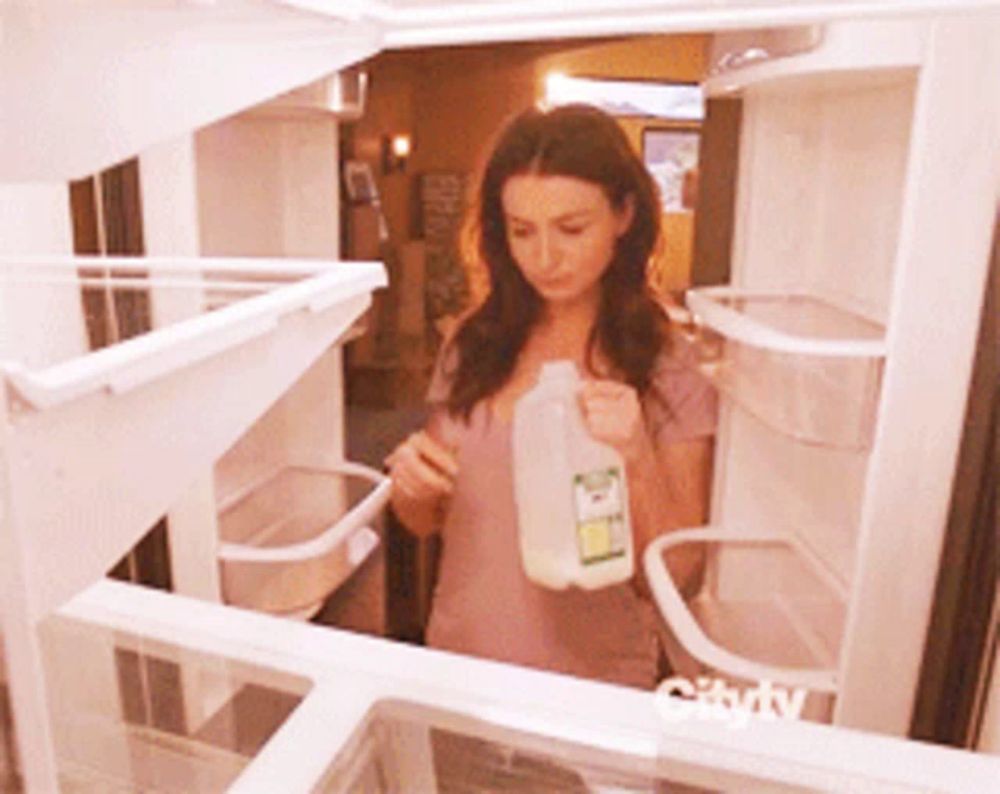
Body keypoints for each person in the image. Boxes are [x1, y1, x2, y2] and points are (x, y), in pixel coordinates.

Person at [385, 102, 716, 691]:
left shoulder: (667, 363)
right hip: (459, 666)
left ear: (624, 215)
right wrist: (412, 485)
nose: (544, 257)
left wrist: (636, 455)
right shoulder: (474, 341)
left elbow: (680, 574)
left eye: (571, 229)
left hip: (596, 684)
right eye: (522, 231)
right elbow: (428, 519)